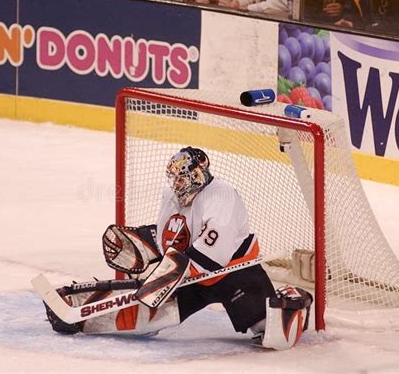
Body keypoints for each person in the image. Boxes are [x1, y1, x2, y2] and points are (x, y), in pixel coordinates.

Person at [43, 147, 313, 350]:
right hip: (191, 275)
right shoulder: (171, 196)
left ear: (198, 173)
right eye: (174, 178)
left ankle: (292, 301)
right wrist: (144, 242)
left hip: (233, 273)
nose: (177, 184)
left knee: (270, 334)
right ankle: (83, 317)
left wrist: (164, 279)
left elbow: (212, 254)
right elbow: (170, 238)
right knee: (145, 318)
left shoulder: (222, 195)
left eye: (183, 177)